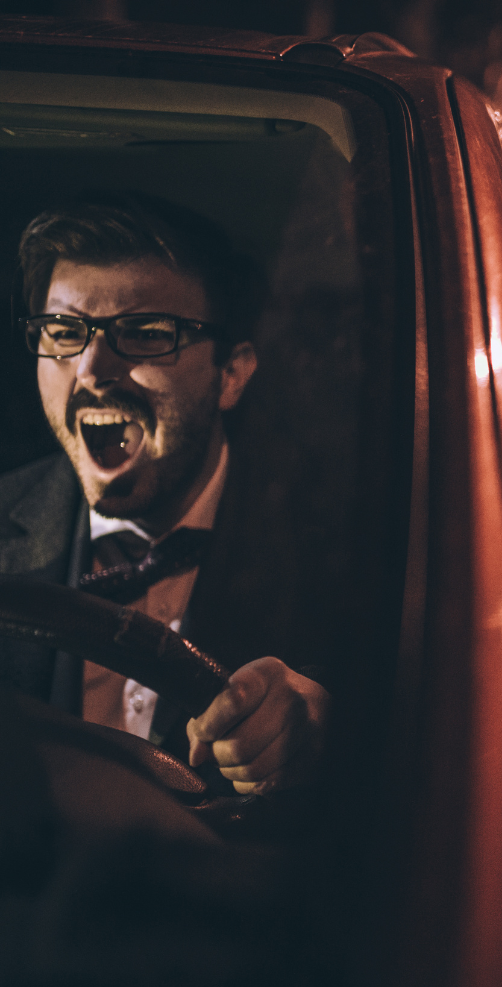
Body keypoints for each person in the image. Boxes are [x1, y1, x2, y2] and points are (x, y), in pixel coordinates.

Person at [0, 192, 328, 795]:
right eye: (64, 331)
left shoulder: (343, 546)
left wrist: (322, 728)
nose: (92, 369)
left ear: (230, 375)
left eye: (146, 334)